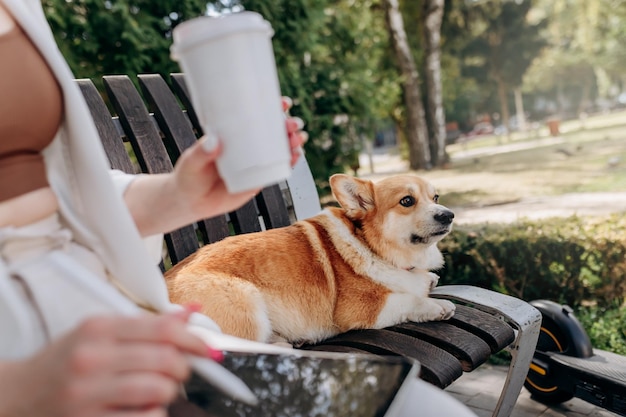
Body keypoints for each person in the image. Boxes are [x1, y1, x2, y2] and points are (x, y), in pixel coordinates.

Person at [0, 1, 479, 416]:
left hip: (126, 325)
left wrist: (179, 195)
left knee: (424, 408)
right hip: (43, 362)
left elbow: (59, 196)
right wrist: (20, 392)